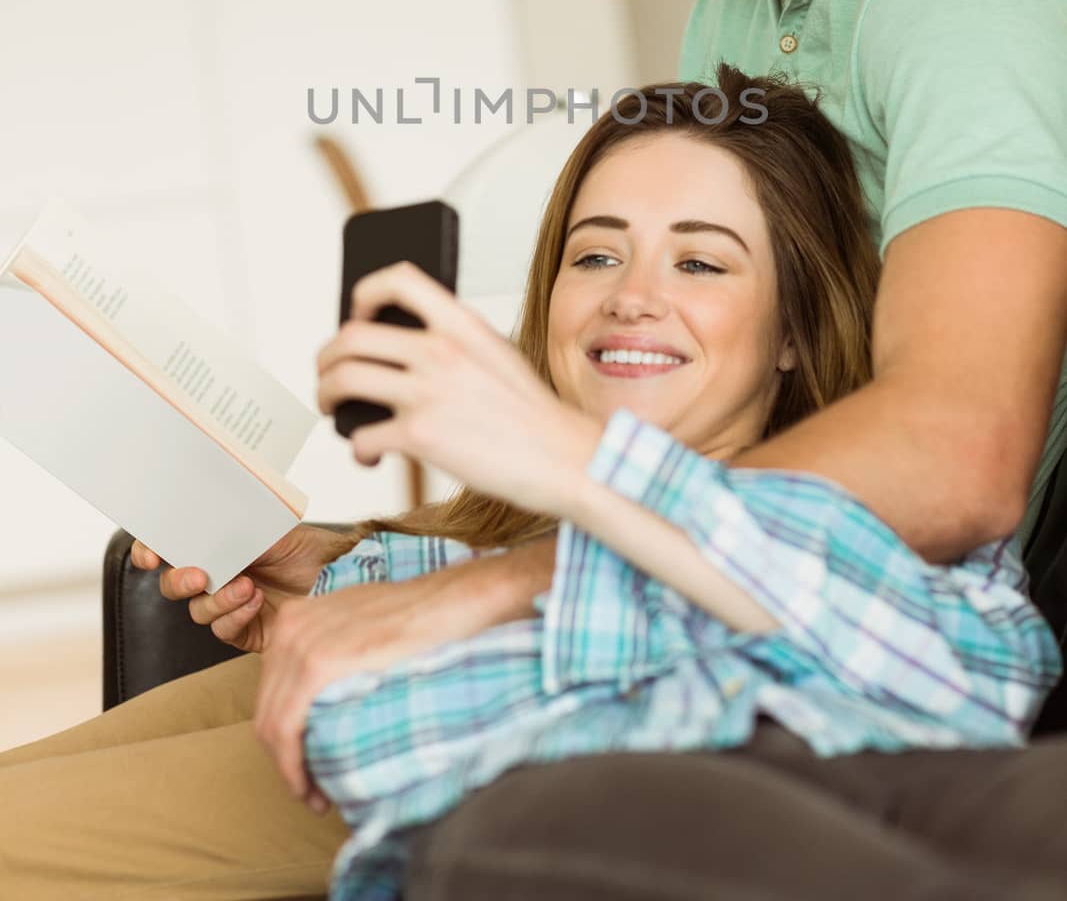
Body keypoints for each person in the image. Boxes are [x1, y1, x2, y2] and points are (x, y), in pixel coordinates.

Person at [1, 72, 1064, 901]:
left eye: (700, 263)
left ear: (790, 329)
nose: (630, 301)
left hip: (395, 769)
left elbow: (954, 670)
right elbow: (540, 578)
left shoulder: (882, 521)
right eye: (595, 257)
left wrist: (564, 461)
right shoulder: (551, 540)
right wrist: (337, 575)